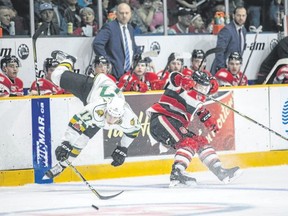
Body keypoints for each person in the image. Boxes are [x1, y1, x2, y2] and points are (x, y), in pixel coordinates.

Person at [42, 54, 141, 179]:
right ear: (106, 109)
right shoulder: (97, 109)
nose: (110, 120)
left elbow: (134, 130)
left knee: (82, 139)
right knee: (55, 76)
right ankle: (69, 59)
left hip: (102, 104)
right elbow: (77, 123)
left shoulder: (128, 117)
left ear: (121, 115)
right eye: (109, 115)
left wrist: (123, 148)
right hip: (92, 87)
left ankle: (62, 166)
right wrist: (66, 143)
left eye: (114, 118)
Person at [146, 69, 241, 187]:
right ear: (194, 82)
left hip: (175, 123)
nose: (203, 91)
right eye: (200, 87)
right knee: (188, 142)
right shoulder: (181, 86)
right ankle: (177, 173)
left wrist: (209, 121)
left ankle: (219, 170)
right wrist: (183, 80)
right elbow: (173, 77)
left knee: (200, 141)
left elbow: (199, 109)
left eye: (205, 88)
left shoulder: (198, 98)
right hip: (162, 119)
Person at [92, 2, 142, 80]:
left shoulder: (130, 28)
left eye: (127, 13)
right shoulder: (110, 27)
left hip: (128, 73)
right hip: (114, 73)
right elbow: (97, 44)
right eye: (121, 13)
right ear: (116, 14)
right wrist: (107, 62)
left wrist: (141, 53)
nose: (124, 16)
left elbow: (132, 47)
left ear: (130, 14)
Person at [210, 6, 247, 75]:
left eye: (243, 15)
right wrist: (222, 69)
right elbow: (219, 51)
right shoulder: (227, 30)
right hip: (223, 70)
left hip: (234, 70)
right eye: (238, 15)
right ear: (233, 16)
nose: (241, 18)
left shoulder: (243, 30)